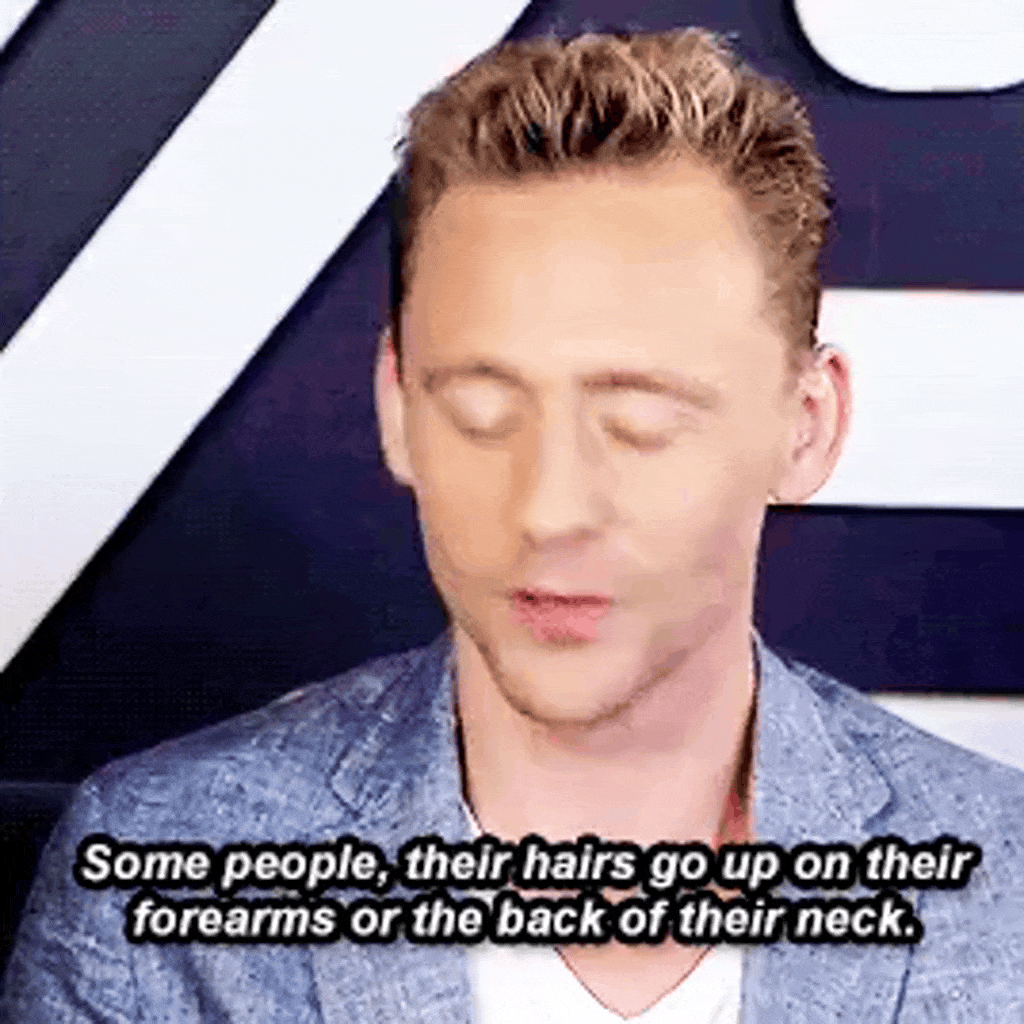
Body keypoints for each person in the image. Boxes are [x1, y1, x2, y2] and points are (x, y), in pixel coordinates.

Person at [3, 26, 1023, 1024]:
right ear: (397, 407)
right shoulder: (158, 882)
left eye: (641, 422)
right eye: (482, 410)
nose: (548, 509)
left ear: (806, 426)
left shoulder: (1003, 891)